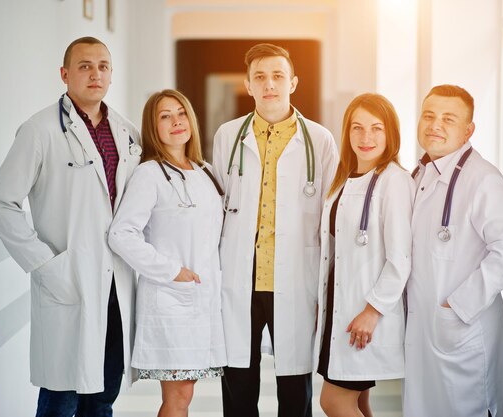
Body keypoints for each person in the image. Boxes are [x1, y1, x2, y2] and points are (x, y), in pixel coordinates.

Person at [0, 36, 142, 416]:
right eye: (85, 66)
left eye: (103, 66)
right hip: (69, 280)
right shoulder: (39, 130)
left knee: (102, 398)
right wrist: (44, 265)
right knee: (60, 400)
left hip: (116, 287)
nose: (95, 74)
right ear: (65, 74)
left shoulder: (127, 132)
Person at [212, 43, 339, 417]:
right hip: (240, 276)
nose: (270, 84)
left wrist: (327, 287)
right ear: (248, 85)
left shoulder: (319, 140)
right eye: (260, 77)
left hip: (295, 276)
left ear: (293, 82)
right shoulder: (227, 136)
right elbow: (218, 204)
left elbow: (330, 218)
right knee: (238, 381)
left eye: (278, 76)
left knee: (294, 386)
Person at [403, 84, 503, 417]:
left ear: (468, 130)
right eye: (428, 116)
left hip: (461, 329)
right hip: (426, 333)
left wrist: (457, 306)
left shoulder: (482, 179)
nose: (435, 125)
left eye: (448, 118)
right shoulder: (419, 174)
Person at [108, 89, 226, 417]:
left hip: (203, 298)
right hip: (172, 297)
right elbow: (121, 234)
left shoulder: (206, 171)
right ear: (153, 127)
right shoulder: (149, 174)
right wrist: (172, 271)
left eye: (181, 113)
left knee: (185, 394)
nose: (176, 121)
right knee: (179, 395)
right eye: (165, 116)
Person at [314, 93, 414, 417]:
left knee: (334, 402)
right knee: (358, 402)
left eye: (376, 128)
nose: (365, 137)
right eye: (357, 128)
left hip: (364, 311)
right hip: (340, 308)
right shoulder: (343, 178)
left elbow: (400, 258)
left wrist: (372, 311)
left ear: (391, 134)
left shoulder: (394, 181)